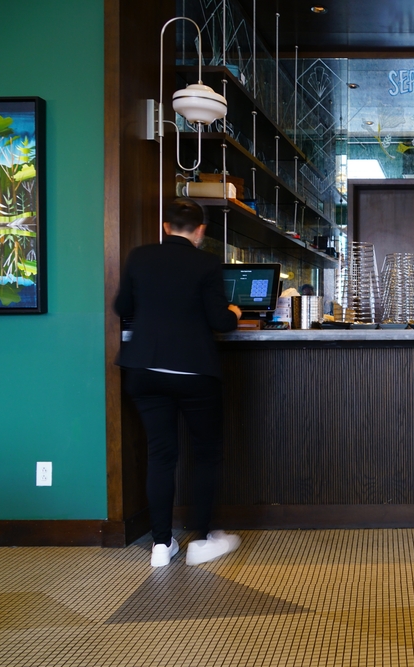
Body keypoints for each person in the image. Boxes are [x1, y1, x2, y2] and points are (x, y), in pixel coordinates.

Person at [114, 197, 243, 567]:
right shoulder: (206, 263)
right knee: (205, 456)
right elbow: (220, 321)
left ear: (165, 227)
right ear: (200, 231)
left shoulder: (139, 257)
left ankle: (160, 544)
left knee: (160, 455)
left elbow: (122, 307)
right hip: (194, 372)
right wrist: (234, 311)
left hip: (145, 370)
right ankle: (201, 540)